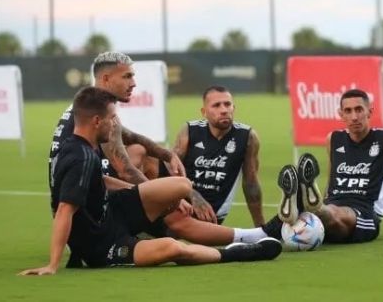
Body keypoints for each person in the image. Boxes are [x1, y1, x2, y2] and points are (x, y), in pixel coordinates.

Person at [21, 87, 281, 275]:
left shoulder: (83, 146)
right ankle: (238, 251)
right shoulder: (80, 157)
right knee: (172, 248)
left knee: (182, 186)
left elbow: (99, 181)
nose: (115, 126)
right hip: (101, 243)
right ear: (97, 121)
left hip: (113, 211)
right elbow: (64, 210)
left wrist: (148, 193)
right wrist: (52, 264)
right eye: (112, 119)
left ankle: (160, 226)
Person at [49, 53, 272, 255]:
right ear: (106, 79)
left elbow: (128, 136)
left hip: (82, 204)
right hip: (89, 219)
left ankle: (154, 228)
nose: (133, 83)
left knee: (142, 153)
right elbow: (124, 170)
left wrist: (166, 154)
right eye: (127, 76)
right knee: (175, 215)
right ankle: (255, 236)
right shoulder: (98, 115)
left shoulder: (87, 106)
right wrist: (167, 198)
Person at [266, 88, 383, 244]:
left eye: (359, 110)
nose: (354, 117)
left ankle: (312, 206)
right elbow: (331, 180)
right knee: (299, 224)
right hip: (333, 204)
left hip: (365, 212)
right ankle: (282, 221)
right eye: (348, 111)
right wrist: (326, 199)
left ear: (369, 112)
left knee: (334, 216)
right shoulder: (334, 139)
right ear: (341, 114)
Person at [169, 85, 265, 226]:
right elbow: (170, 169)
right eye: (216, 105)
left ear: (234, 108)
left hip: (212, 216)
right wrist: (191, 195)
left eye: (227, 104)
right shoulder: (190, 130)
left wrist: (261, 226)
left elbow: (251, 184)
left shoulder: (247, 137)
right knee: (144, 154)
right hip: (183, 208)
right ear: (204, 112)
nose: (224, 110)